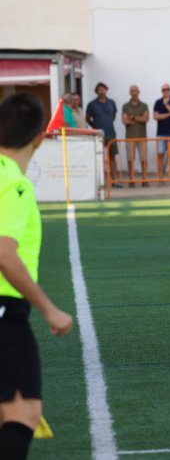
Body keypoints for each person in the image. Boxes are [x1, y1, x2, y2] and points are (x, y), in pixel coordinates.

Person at [0, 93, 73, 459]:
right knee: (23, 414)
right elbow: (4, 253)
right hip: (5, 314)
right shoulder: (13, 184)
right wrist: (49, 308)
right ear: (39, 138)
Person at [85, 82, 121, 187]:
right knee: (99, 158)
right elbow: (88, 119)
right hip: (98, 134)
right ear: (97, 92)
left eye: (103, 89)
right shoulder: (91, 104)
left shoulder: (112, 103)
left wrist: (107, 122)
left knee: (112, 157)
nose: (102, 91)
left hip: (111, 133)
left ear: (106, 90)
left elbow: (113, 116)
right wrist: (95, 126)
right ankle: (101, 182)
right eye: (99, 90)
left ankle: (115, 181)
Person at [152, 83, 170, 183]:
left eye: (167, 89)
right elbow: (156, 117)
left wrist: (166, 104)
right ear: (162, 91)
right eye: (164, 90)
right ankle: (160, 178)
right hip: (161, 132)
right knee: (160, 155)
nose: (166, 91)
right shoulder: (157, 102)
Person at [122, 85, 150, 187]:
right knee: (130, 159)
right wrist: (139, 119)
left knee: (144, 159)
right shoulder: (125, 106)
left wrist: (133, 117)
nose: (134, 93)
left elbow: (146, 119)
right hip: (130, 137)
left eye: (136, 91)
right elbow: (125, 121)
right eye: (132, 91)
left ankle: (145, 179)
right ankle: (131, 179)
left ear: (139, 92)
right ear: (130, 93)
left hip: (142, 136)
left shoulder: (144, 105)